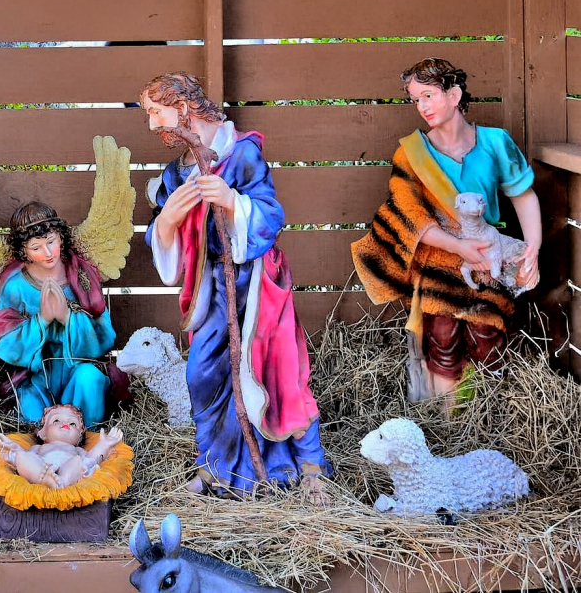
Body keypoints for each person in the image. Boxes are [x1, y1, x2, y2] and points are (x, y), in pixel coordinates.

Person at [140, 72, 330, 498]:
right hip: (211, 287)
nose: (153, 124)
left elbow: (270, 215)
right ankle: (214, 466)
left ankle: (306, 465)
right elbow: (161, 232)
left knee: (276, 372)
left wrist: (232, 203)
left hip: (257, 284)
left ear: (182, 107)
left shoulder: (242, 153)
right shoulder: (175, 174)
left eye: (156, 112)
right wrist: (168, 219)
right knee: (203, 373)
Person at [352, 58, 541, 400]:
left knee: (486, 334)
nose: (422, 107)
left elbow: (523, 196)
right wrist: (458, 247)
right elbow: (408, 216)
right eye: (416, 99)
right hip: (438, 261)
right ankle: (446, 415)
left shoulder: (496, 142)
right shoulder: (411, 154)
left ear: (454, 96)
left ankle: (488, 409)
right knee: (442, 335)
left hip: (487, 257)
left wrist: (532, 249)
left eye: (428, 96)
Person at [0, 202, 116, 427]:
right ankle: (46, 441)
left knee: (90, 379)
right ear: (23, 251)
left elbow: (105, 335)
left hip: (75, 370)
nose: (48, 253)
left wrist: (67, 318)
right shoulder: (15, 287)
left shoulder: (81, 277)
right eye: (36, 247)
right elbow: (5, 342)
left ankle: (86, 436)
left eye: (51, 242)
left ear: (61, 237)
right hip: (36, 378)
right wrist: (42, 320)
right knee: (30, 416)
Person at [0, 404, 124, 489]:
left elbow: (90, 460)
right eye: (56, 420)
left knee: (79, 462)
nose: (65, 423)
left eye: (72, 423)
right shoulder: (39, 448)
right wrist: (15, 449)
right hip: (43, 467)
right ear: (43, 433)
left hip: (68, 471)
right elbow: (29, 457)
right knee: (24, 457)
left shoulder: (77, 450)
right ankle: (43, 479)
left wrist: (103, 445)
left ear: (79, 437)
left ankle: (61, 482)